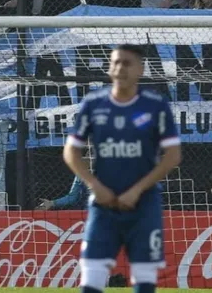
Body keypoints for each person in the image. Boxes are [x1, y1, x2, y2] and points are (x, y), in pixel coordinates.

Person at [63, 44, 181, 293]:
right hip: (103, 202)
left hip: (144, 202)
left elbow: (172, 156)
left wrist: (137, 190)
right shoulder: (93, 104)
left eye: (127, 63)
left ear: (140, 69)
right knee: (92, 275)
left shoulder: (155, 106)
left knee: (144, 277)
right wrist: (94, 186)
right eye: (115, 62)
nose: (120, 68)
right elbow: (71, 151)